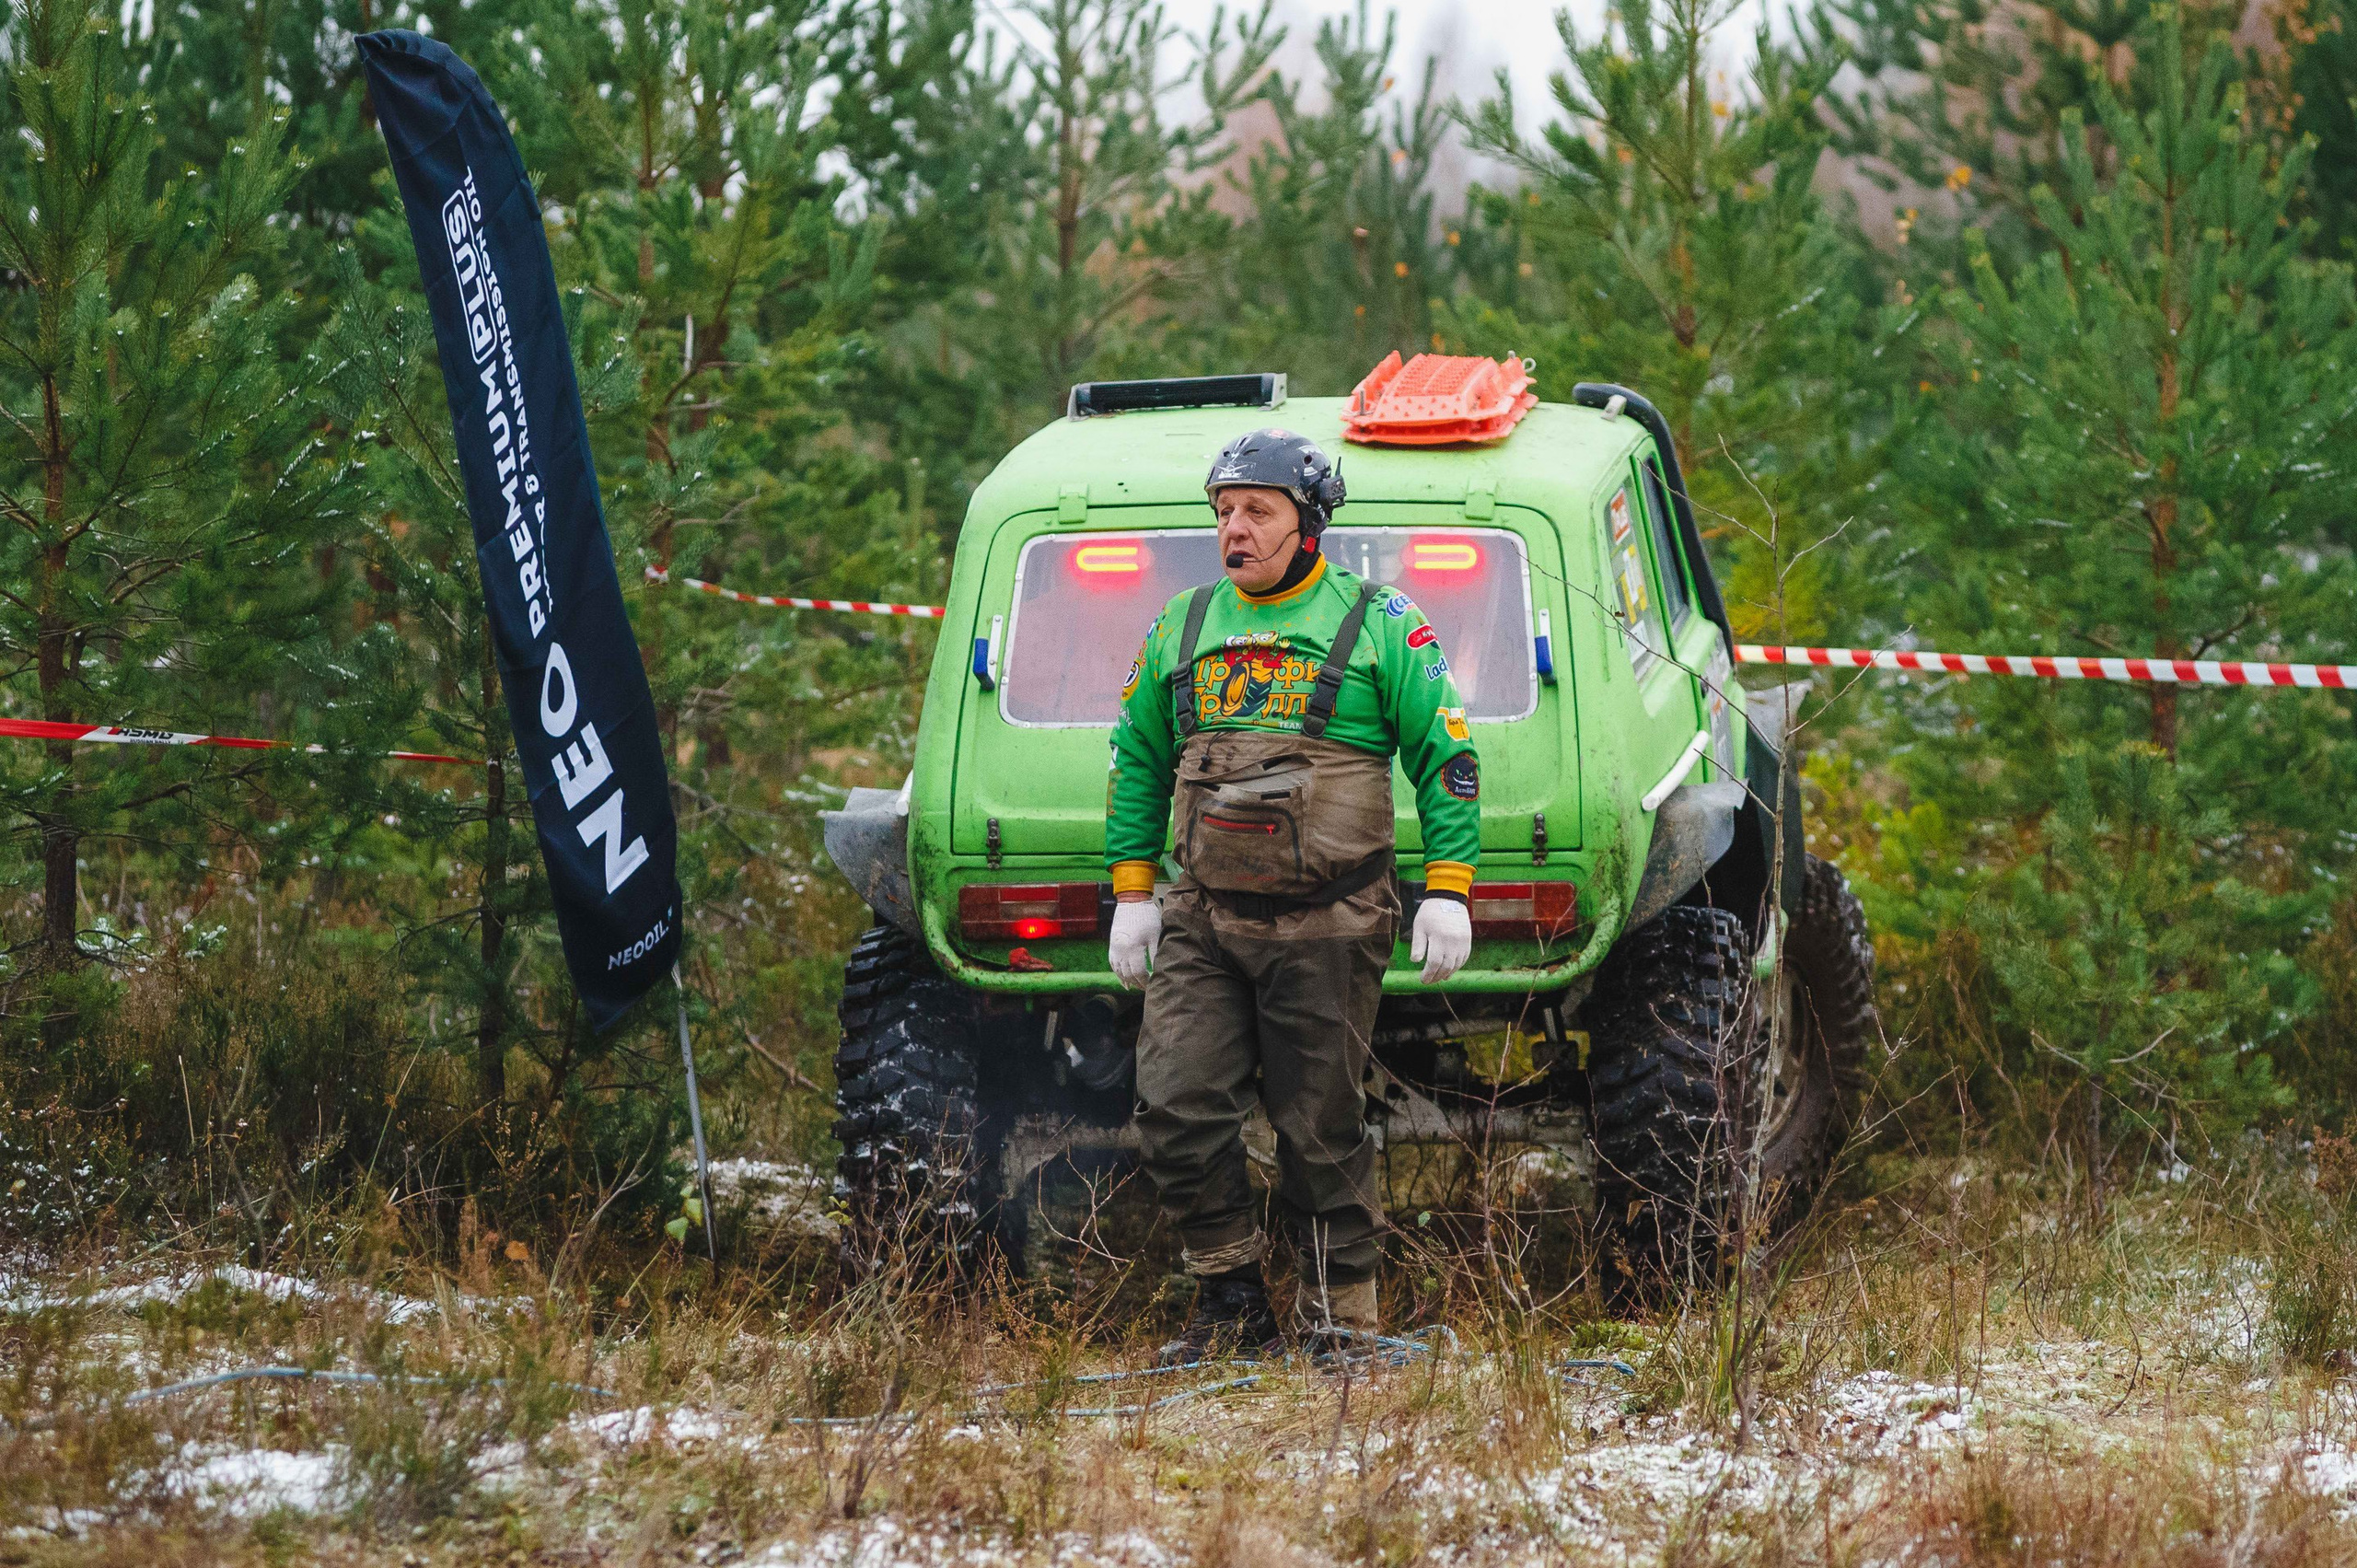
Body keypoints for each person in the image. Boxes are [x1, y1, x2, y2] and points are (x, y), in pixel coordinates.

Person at [1104, 427, 1480, 1364]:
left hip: (1334, 915)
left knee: (1320, 1125)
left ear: (1308, 522)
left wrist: (1449, 889)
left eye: (1256, 510)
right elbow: (1137, 760)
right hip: (1204, 917)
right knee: (1175, 1102)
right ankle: (1229, 1300)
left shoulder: (1382, 621)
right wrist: (1132, 892)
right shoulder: (1181, 625)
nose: (1234, 527)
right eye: (1223, 510)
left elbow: (1449, 759)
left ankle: (1337, 1321)